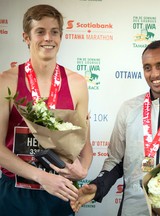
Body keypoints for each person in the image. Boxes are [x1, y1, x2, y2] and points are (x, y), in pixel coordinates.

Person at [70, 40, 160, 215]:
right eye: (147, 67)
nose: (154, 74)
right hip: (133, 209)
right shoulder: (129, 109)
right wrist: (99, 186)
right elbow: (115, 160)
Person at [0, 4, 93, 216]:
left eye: (54, 32)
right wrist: (42, 177)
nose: (48, 38)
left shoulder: (77, 84)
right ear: (26, 37)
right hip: (15, 195)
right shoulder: (6, 81)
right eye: (40, 31)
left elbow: (85, 146)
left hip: (60, 196)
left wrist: (83, 168)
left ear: (61, 36)